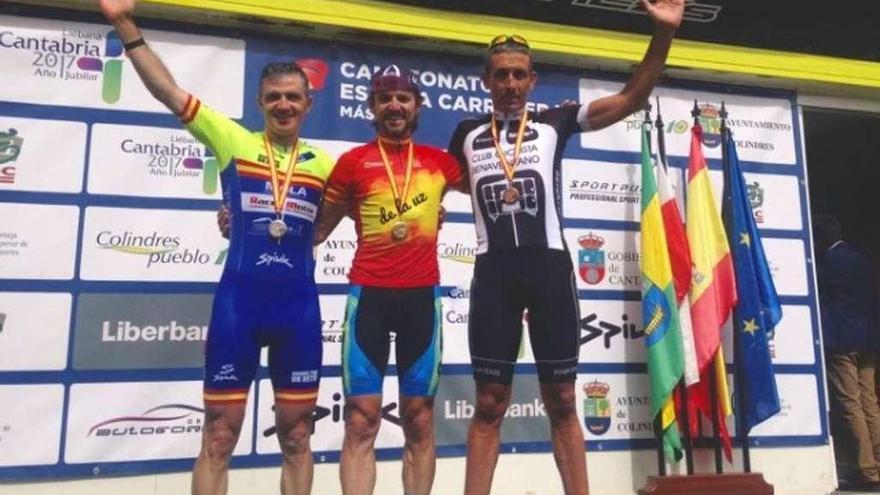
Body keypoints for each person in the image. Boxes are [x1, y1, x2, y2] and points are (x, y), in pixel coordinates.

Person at [445, 1, 685, 494]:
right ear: (486, 80)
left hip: (550, 273)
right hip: (493, 277)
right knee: (489, 402)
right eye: (501, 75)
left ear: (532, 80)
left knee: (562, 399)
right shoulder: (466, 134)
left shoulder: (557, 122)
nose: (510, 83)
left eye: (519, 74)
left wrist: (662, 34)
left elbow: (631, 99)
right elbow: (433, 183)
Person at [99, 2, 334, 494]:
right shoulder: (233, 140)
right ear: (260, 102)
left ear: (308, 104)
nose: (284, 105)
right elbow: (168, 91)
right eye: (274, 98)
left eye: (293, 97)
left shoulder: (327, 164)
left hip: (299, 314)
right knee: (219, 436)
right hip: (238, 310)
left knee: (296, 437)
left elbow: (372, 206)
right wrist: (125, 25)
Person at [311, 65, 464, 495]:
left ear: (417, 105)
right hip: (370, 297)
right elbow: (317, 230)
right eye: (384, 99)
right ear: (372, 108)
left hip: (420, 299)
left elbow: (495, 185)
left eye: (403, 98)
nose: (394, 106)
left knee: (418, 416)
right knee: (361, 418)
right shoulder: (352, 163)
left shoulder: (441, 164)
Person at [814, 214, 880, 492]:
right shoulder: (864, 260)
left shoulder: (826, 264)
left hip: (842, 343)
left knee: (851, 404)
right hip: (868, 340)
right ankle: (876, 463)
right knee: (870, 402)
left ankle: (868, 471)